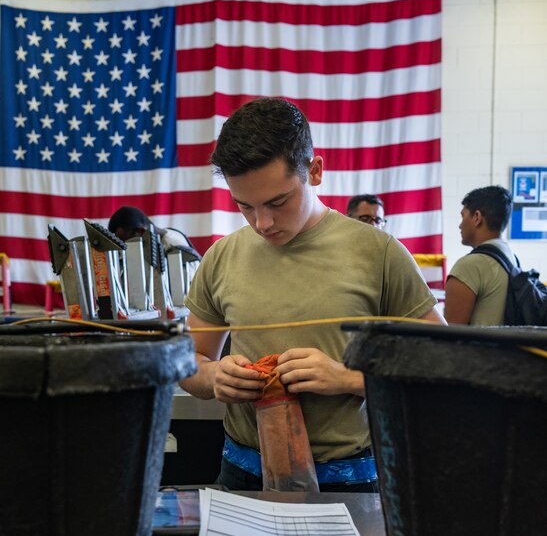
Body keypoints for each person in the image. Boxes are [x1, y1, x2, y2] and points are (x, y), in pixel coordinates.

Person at [181, 97, 445, 492]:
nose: (262, 223)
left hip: (350, 482)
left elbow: (441, 366)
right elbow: (191, 361)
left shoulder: (379, 253)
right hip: (242, 476)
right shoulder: (222, 256)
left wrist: (349, 378)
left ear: (315, 171)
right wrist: (215, 377)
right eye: (245, 207)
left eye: (278, 202)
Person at [444, 185, 516, 325]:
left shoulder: (469, 266)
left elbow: (450, 334)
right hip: (509, 346)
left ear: (477, 217)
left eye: (463, 216)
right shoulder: (511, 257)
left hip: (480, 347)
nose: (460, 225)